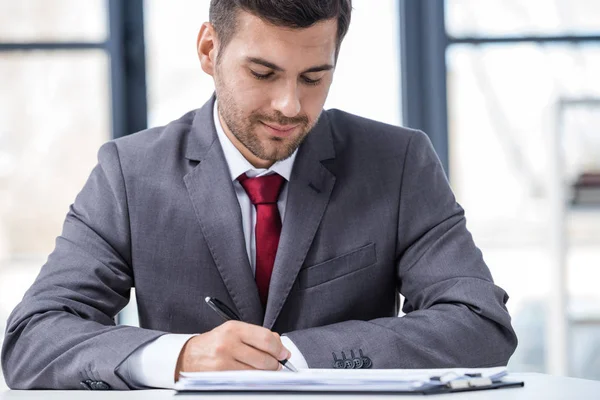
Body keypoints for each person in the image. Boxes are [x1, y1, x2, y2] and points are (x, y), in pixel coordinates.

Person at [1, 0, 517, 390]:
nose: (289, 105)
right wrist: (181, 358)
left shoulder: (399, 163)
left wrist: (292, 355)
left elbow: (478, 323)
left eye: (314, 78)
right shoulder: (130, 173)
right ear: (209, 50)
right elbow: (32, 339)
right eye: (262, 73)